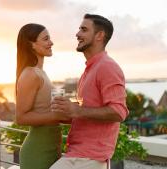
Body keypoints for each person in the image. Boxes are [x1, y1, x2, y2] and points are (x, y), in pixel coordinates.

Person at [50, 14, 129, 169]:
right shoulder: (89, 70)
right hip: (79, 156)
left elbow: (119, 112)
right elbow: (85, 110)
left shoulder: (107, 67)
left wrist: (77, 111)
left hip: (88, 159)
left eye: (84, 29)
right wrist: (66, 112)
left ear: (100, 35)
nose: (77, 34)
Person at [15, 23, 70, 169]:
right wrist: (57, 115)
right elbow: (21, 117)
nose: (51, 42)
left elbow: (46, 111)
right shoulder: (30, 74)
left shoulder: (41, 73)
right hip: (37, 151)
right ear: (31, 44)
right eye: (46, 39)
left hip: (52, 148)